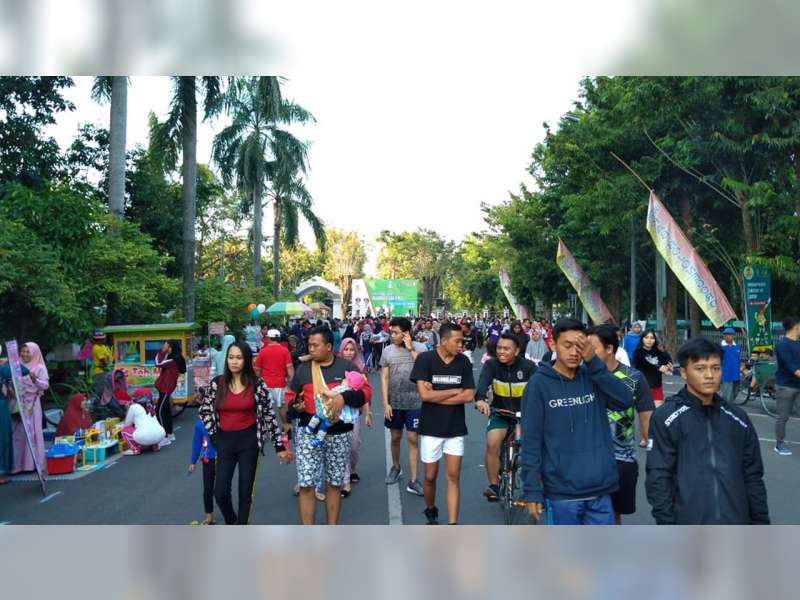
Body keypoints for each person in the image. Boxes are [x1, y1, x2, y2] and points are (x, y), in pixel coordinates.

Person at [520, 318, 632, 526]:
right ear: (553, 345)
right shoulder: (538, 385)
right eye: (567, 345)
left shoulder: (593, 376)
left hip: (600, 490)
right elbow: (531, 441)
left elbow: (624, 400)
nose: (573, 352)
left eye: (579, 346)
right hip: (562, 493)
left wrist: (594, 364)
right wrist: (532, 490)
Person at [645, 337, 769, 524]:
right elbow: (658, 476)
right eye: (700, 368)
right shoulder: (666, 418)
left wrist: (761, 523)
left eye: (716, 368)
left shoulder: (738, 418)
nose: (710, 375)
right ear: (685, 373)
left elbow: (753, 477)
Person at [199, 341, 292, 525]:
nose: (234, 362)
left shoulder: (257, 385)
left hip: (249, 443)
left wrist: (279, 446)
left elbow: (268, 416)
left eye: (239, 358)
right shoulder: (218, 383)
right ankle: (232, 520)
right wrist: (215, 436)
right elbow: (205, 411)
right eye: (231, 357)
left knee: (245, 491)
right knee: (220, 492)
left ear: (247, 360)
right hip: (224, 442)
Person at [286, 327, 372, 525]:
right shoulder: (303, 370)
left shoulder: (347, 367)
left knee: (334, 484)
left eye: (315, 345)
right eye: (309, 345)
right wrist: (295, 406)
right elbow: (290, 398)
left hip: (340, 434)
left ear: (329, 346)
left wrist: (344, 397)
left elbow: (366, 393)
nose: (311, 349)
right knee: (306, 485)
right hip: (309, 434)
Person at [586, 324, 655, 523]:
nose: (586, 352)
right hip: (587, 457)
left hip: (622, 460)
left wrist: (655, 455)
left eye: (593, 347)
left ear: (609, 349)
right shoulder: (581, 375)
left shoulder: (634, 378)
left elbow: (646, 417)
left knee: (613, 514)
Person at [410, 323, 476, 525]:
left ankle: (453, 524)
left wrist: (435, 394)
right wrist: (454, 391)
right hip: (430, 428)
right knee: (430, 477)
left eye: (462, 341)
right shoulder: (425, 360)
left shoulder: (463, 361)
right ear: (444, 340)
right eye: (457, 341)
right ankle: (430, 509)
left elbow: (469, 394)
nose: (461, 345)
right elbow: (424, 395)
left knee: (453, 476)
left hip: (455, 429)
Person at [475, 332, 537, 501]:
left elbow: (541, 389)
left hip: (524, 417)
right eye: (499, 348)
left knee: (531, 449)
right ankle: (494, 486)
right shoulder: (491, 365)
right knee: (492, 443)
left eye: (506, 349)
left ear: (517, 351)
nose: (501, 351)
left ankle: (531, 489)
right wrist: (480, 400)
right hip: (500, 413)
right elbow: (482, 384)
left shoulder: (529, 367)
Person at [381, 317, 427, 496]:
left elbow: (425, 370)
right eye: (391, 332)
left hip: (416, 401)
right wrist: (385, 403)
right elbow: (385, 378)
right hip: (395, 403)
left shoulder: (421, 348)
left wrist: (410, 349)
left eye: (395, 332)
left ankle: (414, 480)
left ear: (406, 333)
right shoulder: (387, 352)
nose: (392, 335)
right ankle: (396, 466)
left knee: (413, 439)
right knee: (395, 437)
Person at [339, 337, 372, 497]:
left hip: (355, 413)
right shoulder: (335, 366)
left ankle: (353, 469)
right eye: (346, 349)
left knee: (354, 445)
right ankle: (345, 482)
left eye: (352, 349)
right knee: (343, 446)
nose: (349, 352)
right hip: (337, 413)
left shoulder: (360, 367)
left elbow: (365, 392)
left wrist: (368, 413)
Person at [13, 342, 49, 474]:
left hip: (33, 405)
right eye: (23, 351)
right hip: (18, 404)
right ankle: (18, 465)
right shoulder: (17, 366)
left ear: (34, 353)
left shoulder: (39, 367)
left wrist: (35, 380)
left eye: (28, 352)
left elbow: (45, 386)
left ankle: (33, 464)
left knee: (33, 431)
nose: (25, 354)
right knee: (19, 433)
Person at [1, 346, 29, 484]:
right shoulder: (2, 368)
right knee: (3, 437)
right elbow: (22, 371)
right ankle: (1, 473)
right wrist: (9, 362)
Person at [773, 316, 800, 456]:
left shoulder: (799, 343)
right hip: (785, 386)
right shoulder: (782, 345)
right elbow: (791, 367)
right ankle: (779, 444)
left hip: (798, 386)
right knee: (783, 417)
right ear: (796, 327)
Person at [254, 329, 295, 415]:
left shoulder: (262, 351)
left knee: (267, 408)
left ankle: (270, 426)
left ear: (268, 338)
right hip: (280, 384)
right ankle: (283, 425)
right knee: (282, 407)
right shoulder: (285, 351)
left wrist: (258, 380)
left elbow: (257, 369)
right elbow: (289, 367)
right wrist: (292, 381)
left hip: (266, 384)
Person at [154, 340, 185, 446]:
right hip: (165, 388)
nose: (164, 346)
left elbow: (158, 363)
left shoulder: (173, 359)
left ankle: (164, 436)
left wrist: (162, 351)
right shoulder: (174, 357)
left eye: (166, 345)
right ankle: (170, 434)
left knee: (159, 411)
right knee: (166, 412)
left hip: (166, 389)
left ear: (170, 347)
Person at [188, 417, 218, 525]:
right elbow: (197, 443)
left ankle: (229, 516)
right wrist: (193, 461)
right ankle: (209, 516)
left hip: (223, 458)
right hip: (208, 459)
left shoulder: (223, 419)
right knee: (207, 489)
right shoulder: (199, 424)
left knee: (221, 490)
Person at [632, 329, 673, 407]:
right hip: (643, 387)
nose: (649, 340)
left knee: (657, 414)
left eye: (652, 338)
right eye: (646, 337)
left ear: (655, 340)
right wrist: (659, 367)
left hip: (657, 387)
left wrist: (664, 352)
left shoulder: (658, 352)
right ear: (642, 339)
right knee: (646, 416)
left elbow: (668, 362)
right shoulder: (638, 352)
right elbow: (645, 364)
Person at [719, 326, 742, 404]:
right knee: (727, 397)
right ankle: (726, 410)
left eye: (729, 334)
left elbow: (738, 360)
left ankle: (724, 405)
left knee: (735, 393)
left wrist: (741, 370)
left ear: (733, 335)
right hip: (725, 375)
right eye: (725, 334)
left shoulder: (737, 346)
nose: (727, 336)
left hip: (736, 375)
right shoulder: (720, 347)